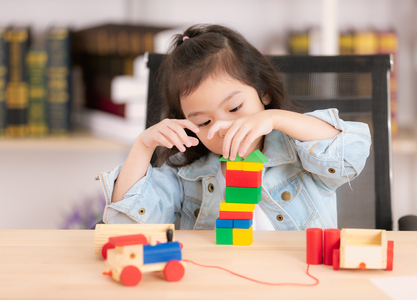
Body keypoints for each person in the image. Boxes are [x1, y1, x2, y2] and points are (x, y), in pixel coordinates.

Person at [98, 24, 371, 230]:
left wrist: (276, 118)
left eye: (235, 108)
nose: (223, 128)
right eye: (203, 122)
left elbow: (350, 154)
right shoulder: (185, 174)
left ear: (263, 92)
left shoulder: (300, 151)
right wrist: (143, 146)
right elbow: (125, 225)